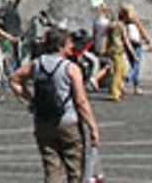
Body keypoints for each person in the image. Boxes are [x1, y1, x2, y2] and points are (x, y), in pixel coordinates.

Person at [10, 25, 100, 183]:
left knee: (51, 168)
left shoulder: (37, 64)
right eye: (69, 43)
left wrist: (31, 101)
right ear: (60, 46)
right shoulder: (70, 68)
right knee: (75, 170)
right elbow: (81, 101)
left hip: (43, 121)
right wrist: (93, 127)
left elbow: (14, 79)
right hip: (68, 122)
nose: (72, 46)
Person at [106, 7, 134, 100]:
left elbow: (107, 34)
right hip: (117, 49)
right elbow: (126, 41)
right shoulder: (122, 26)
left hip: (112, 49)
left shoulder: (112, 25)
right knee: (119, 71)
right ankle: (115, 92)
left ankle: (118, 89)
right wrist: (133, 53)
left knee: (123, 69)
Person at [122, 3, 149, 94]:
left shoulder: (124, 20)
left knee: (132, 63)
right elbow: (141, 29)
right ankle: (128, 77)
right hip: (136, 43)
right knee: (136, 63)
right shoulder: (135, 19)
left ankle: (135, 87)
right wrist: (146, 39)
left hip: (128, 43)